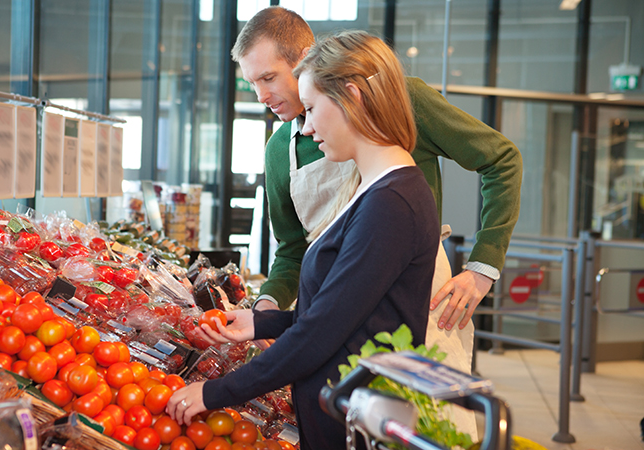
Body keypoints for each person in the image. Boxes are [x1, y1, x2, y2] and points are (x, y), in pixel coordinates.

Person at [166, 31, 440, 450]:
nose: (307, 127)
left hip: (352, 423)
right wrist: (262, 322)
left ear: (353, 97)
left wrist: (215, 392)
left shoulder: (392, 204)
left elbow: (321, 334)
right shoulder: (373, 190)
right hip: (339, 410)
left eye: (311, 109)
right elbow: (347, 316)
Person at [234, 6, 522, 377]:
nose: (261, 95)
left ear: (305, 59)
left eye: (268, 78)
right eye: (252, 83)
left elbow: (502, 159)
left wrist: (483, 267)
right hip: (331, 313)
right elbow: (292, 251)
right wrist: (268, 306)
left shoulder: (402, 101)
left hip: (418, 306)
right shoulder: (278, 151)